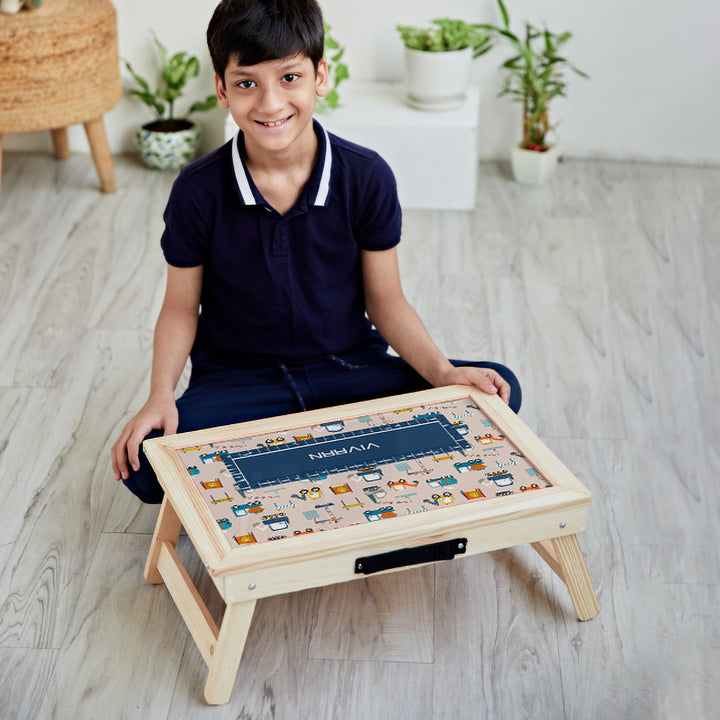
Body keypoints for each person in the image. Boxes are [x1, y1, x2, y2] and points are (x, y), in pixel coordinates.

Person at [111, 0, 521, 503]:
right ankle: (335, 460)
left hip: (348, 371)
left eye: (289, 78)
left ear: (319, 76)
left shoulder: (366, 175)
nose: (269, 104)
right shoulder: (197, 190)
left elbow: (386, 300)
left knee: (494, 390)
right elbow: (179, 307)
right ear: (221, 89)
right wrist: (159, 396)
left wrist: (442, 374)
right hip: (241, 384)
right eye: (246, 83)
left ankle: (286, 464)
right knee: (146, 461)